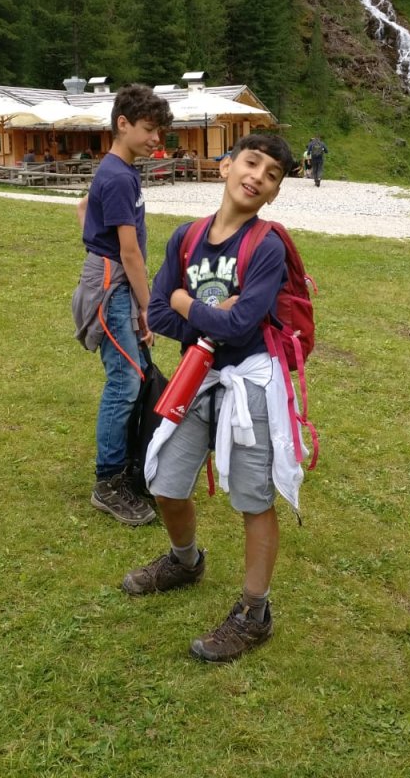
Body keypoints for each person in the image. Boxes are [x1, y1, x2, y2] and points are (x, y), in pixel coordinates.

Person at [121, 132, 301, 663]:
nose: (258, 176)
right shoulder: (187, 237)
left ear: (274, 193)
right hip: (198, 374)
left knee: (252, 498)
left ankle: (254, 613)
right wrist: (203, 314)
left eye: (271, 175)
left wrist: (186, 301)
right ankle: (185, 560)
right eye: (251, 163)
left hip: (250, 383)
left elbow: (241, 325)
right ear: (225, 166)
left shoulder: (267, 246)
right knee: (164, 480)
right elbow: (156, 312)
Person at [71, 83, 173, 526]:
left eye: (159, 131)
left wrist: (95, 242)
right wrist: (148, 308)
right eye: (149, 129)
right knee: (125, 381)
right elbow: (129, 252)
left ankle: (132, 467)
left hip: (116, 280)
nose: (156, 139)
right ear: (123, 124)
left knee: (135, 375)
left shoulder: (120, 172)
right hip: (113, 285)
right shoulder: (116, 176)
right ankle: (108, 482)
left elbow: (83, 207)